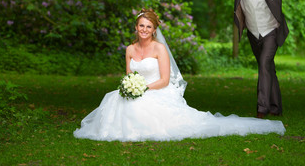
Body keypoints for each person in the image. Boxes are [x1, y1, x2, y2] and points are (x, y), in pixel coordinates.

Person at [73, 9, 286, 141]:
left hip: (157, 89)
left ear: (154, 30)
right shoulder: (129, 50)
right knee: (115, 101)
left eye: (148, 26)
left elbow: (165, 80)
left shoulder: (159, 49)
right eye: (141, 26)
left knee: (142, 108)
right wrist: (130, 88)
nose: (144, 30)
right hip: (136, 90)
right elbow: (128, 77)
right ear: (136, 27)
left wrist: (143, 89)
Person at [216, 0, 305, 118]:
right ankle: (276, 107)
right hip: (253, 34)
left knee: (264, 65)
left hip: (271, 31)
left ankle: (262, 109)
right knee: (268, 69)